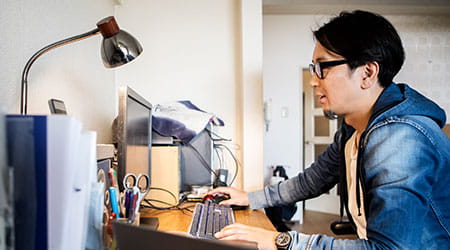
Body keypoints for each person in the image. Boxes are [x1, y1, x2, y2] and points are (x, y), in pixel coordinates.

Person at [209, 10, 450, 250]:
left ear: (367, 73)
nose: (314, 80)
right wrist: (250, 198)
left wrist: (281, 240)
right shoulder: (353, 127)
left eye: (323, 67)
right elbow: (314, 180)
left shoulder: (400, 138)